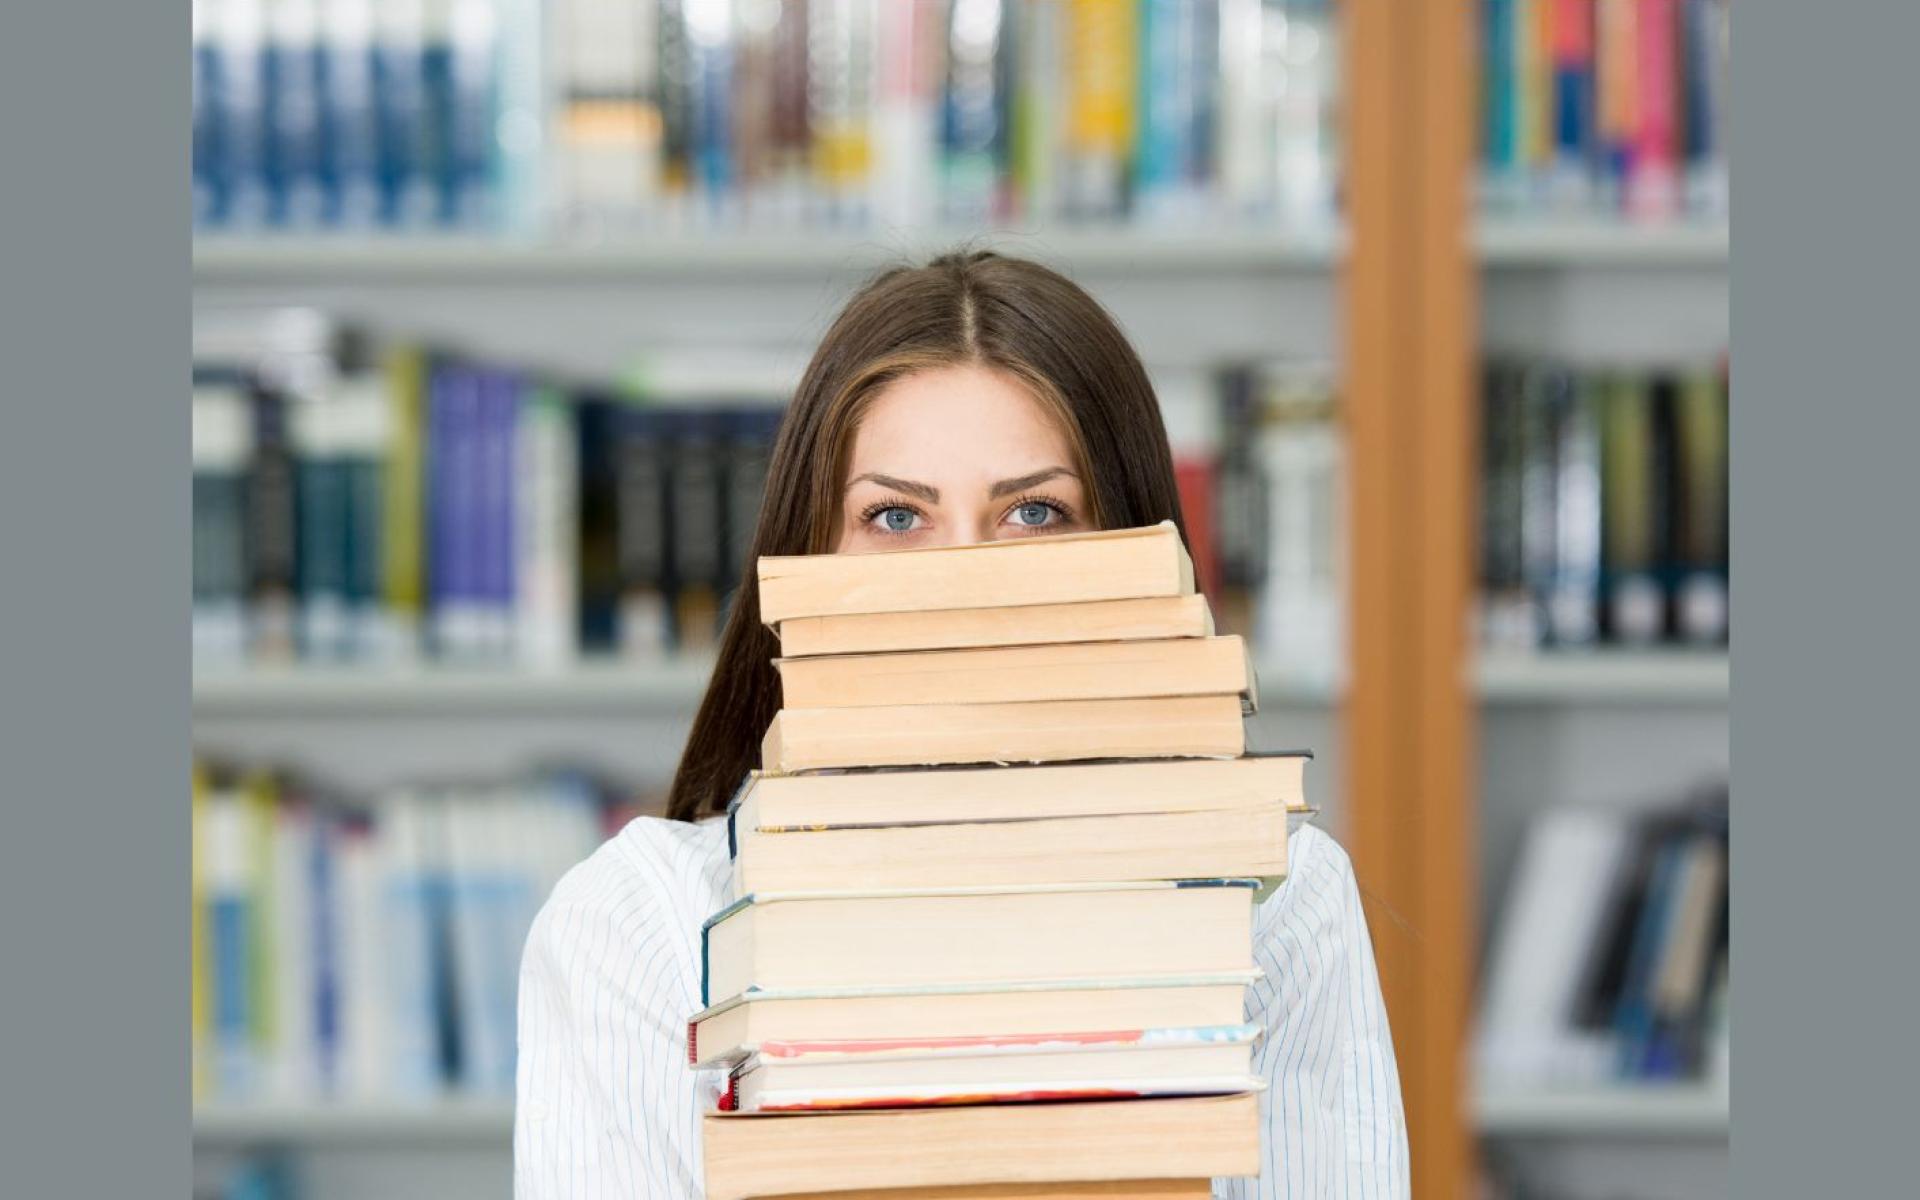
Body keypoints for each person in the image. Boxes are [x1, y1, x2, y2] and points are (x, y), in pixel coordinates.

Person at [514, 250, 1409, 1198]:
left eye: (1035, 512)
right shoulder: (638, 928)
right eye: (897, 518)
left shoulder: (1283, 906)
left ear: (1138, 558)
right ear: (808, 555)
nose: (966, 582)